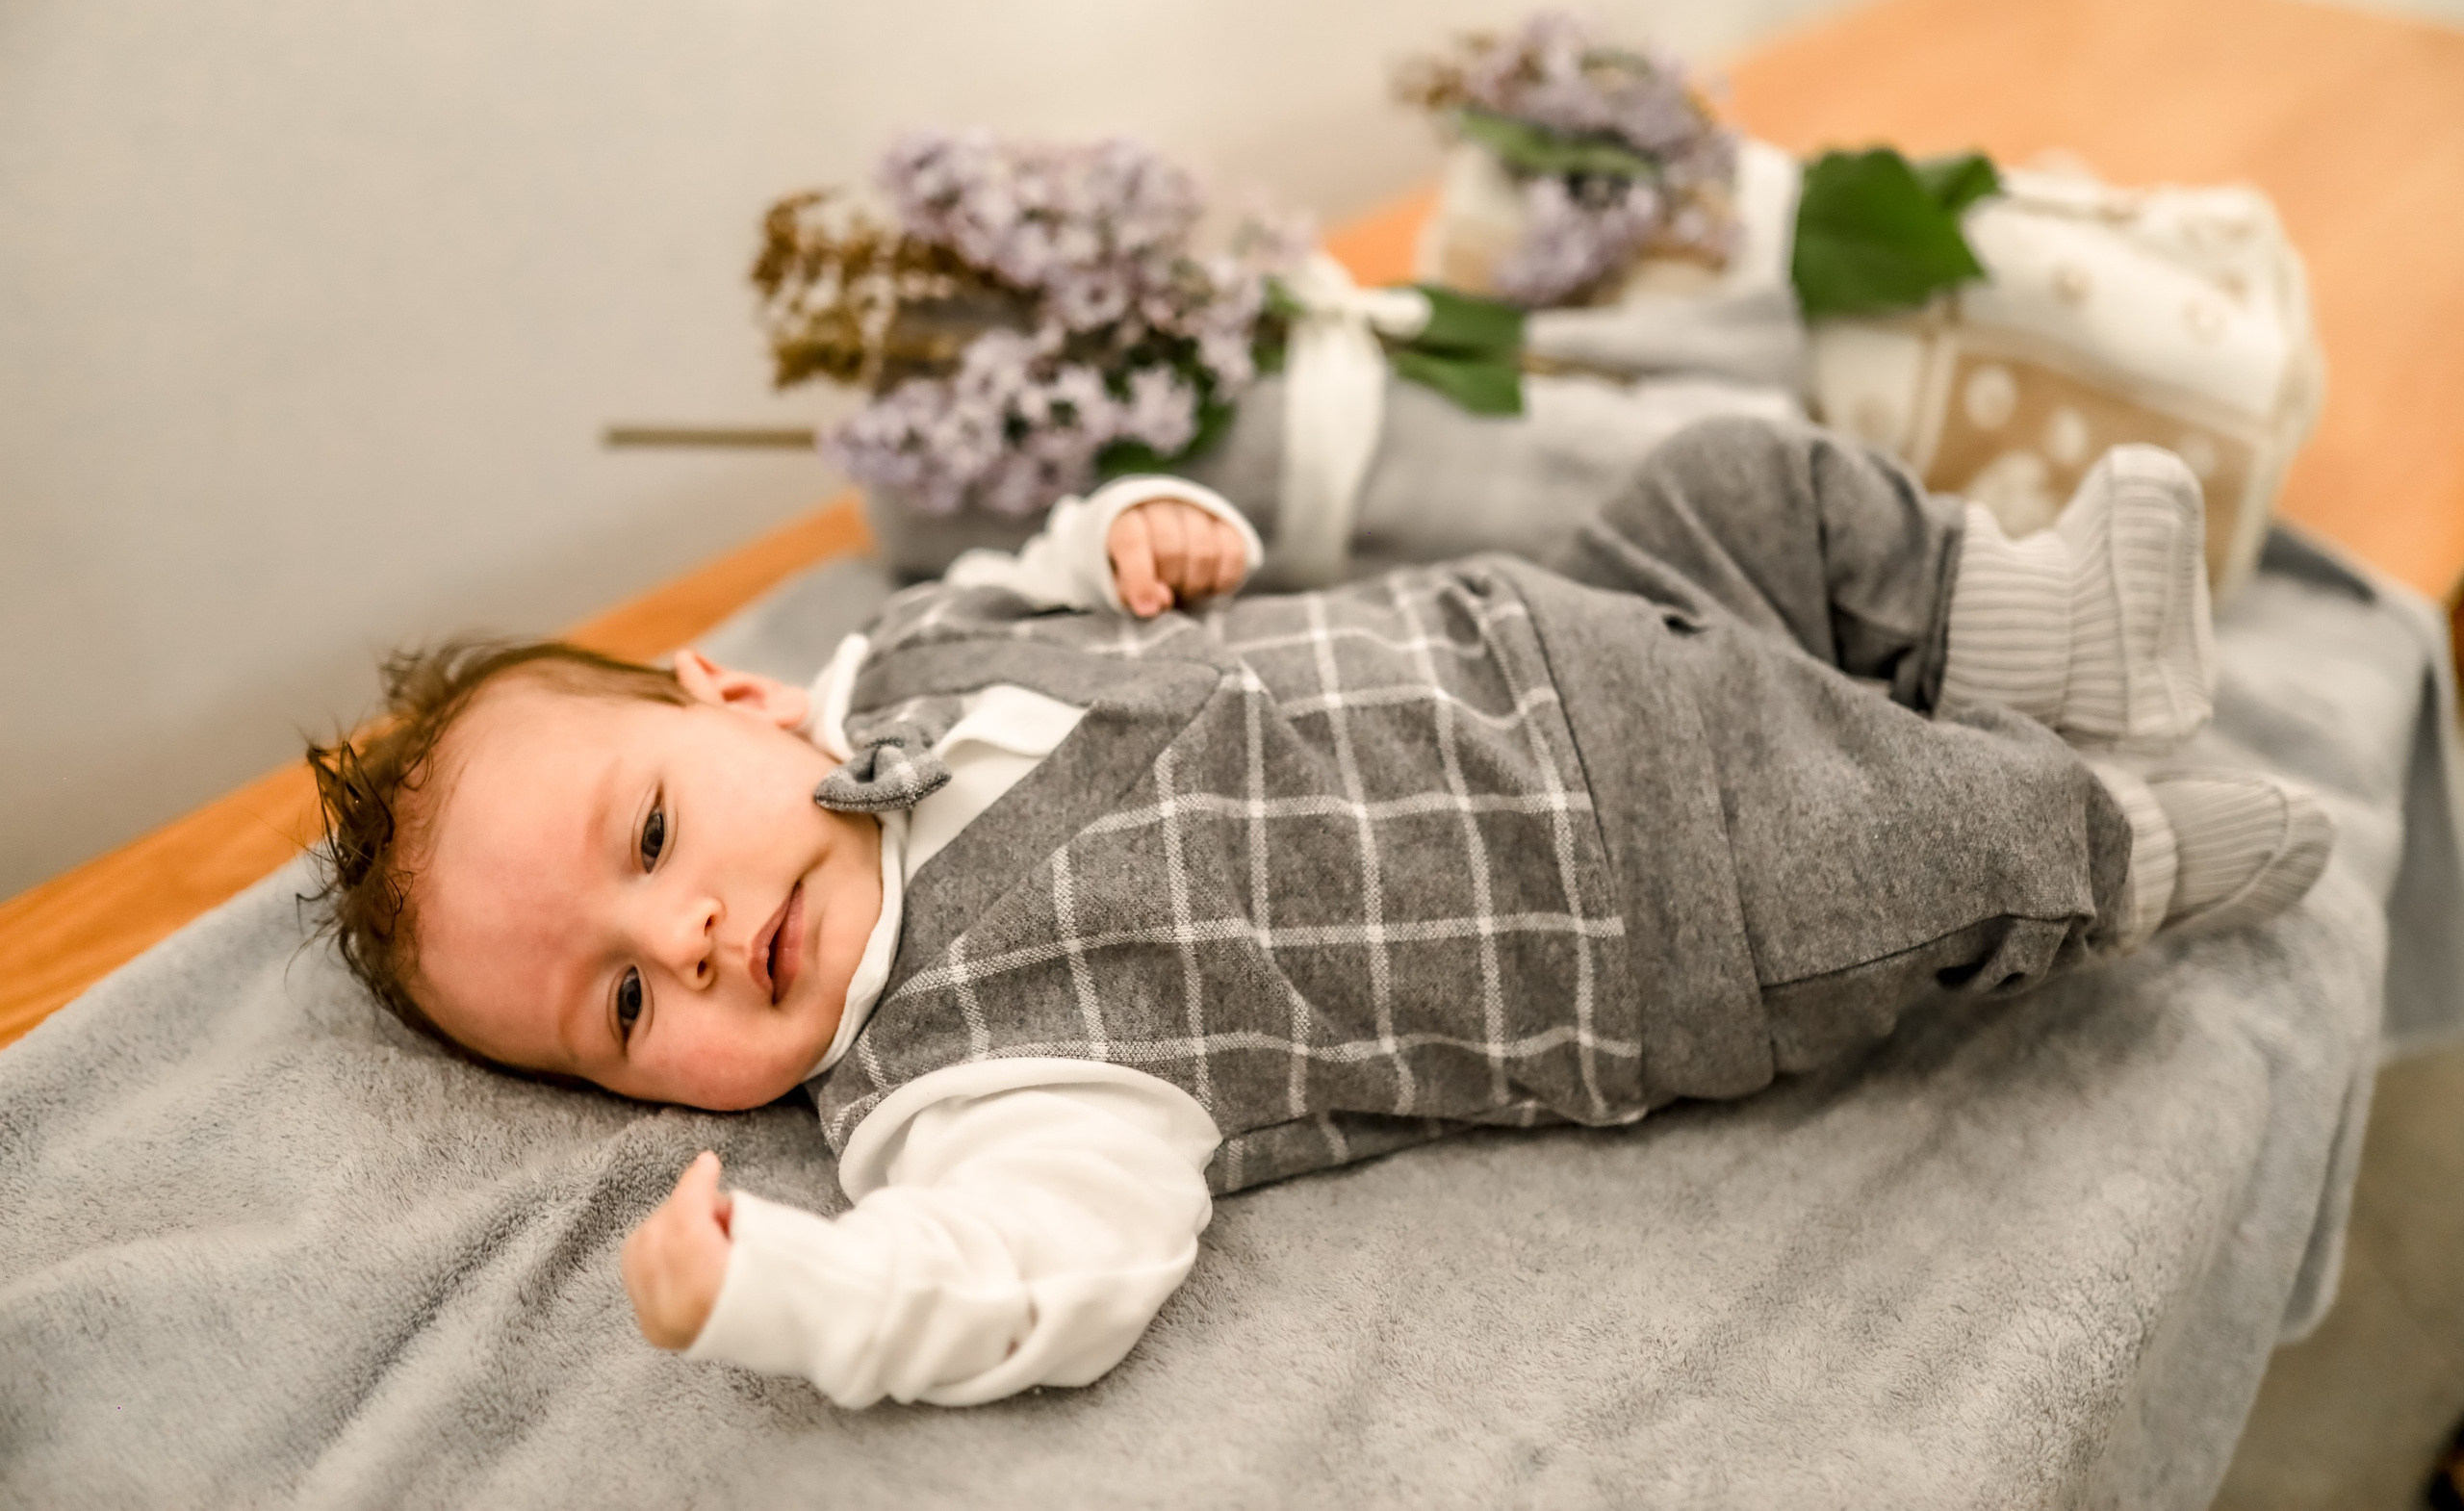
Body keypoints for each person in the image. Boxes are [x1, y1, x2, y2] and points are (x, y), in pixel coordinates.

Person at [306, 417, 2333, 1409]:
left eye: (652, 839)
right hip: (1643, 894)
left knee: (1748, 482)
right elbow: (1022, 1278)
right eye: (617, 1012)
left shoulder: (897, 658)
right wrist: (780, 1289)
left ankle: (2054, 629)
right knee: (1905, 843)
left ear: (729, 699)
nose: (689, 940)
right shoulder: (960, 1081)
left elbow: (1058, 561)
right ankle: (2114, 841)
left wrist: (1131, 528)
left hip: (1544, 622)